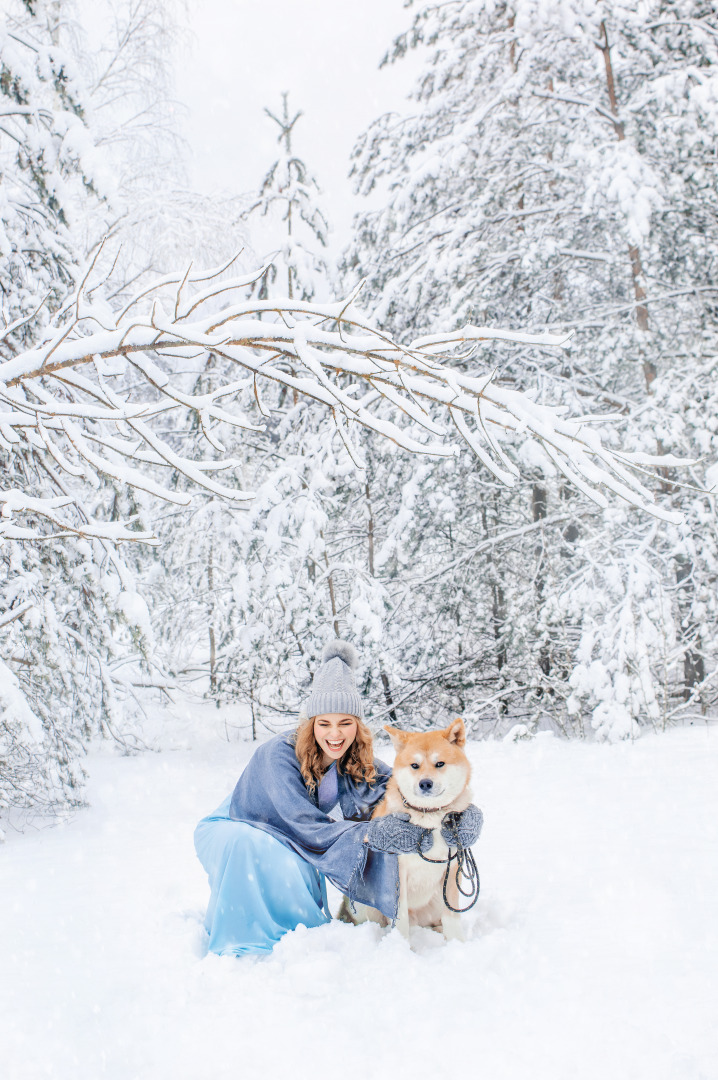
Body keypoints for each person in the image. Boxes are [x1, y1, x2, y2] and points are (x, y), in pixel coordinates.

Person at [194, 640, 477, 957]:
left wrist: (460, 815)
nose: (335, 734)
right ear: (310, 724)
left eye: (345, 723)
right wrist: (374, 832)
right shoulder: (277, 755)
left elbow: (400, 787)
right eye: (324, 724)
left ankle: (299, 939)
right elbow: (301, 826)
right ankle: (252, 939)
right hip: (238, 825)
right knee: (260, 848)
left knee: (290, 856)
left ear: (357, 726)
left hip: (289, 838)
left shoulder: (354, 761)